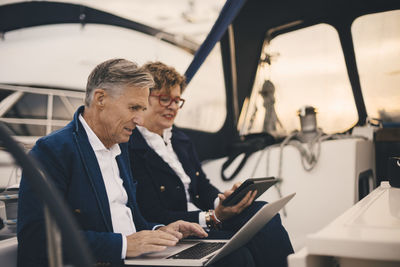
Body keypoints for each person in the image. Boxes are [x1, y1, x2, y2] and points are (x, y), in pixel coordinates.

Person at [16, 58, 210, 267]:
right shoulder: (52, 151)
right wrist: (123, 245)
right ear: (100, 98)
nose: (139, 120)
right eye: (134, 108)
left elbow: (130, 221)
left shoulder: (120, 147)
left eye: (142, 109)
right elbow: (36, 240)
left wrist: (160, 231)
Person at [128, 61, 294, 267]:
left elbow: (203, 185)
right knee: (242, 253)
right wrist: (211, 217)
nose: (172, 106)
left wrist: (224, 201)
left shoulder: (180, 140)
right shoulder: (130, 147)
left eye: (177, 100)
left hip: (206, 219)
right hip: (179, 231)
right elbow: (151, 214)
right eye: (164, 99)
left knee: (263, 213)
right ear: (144, 97)